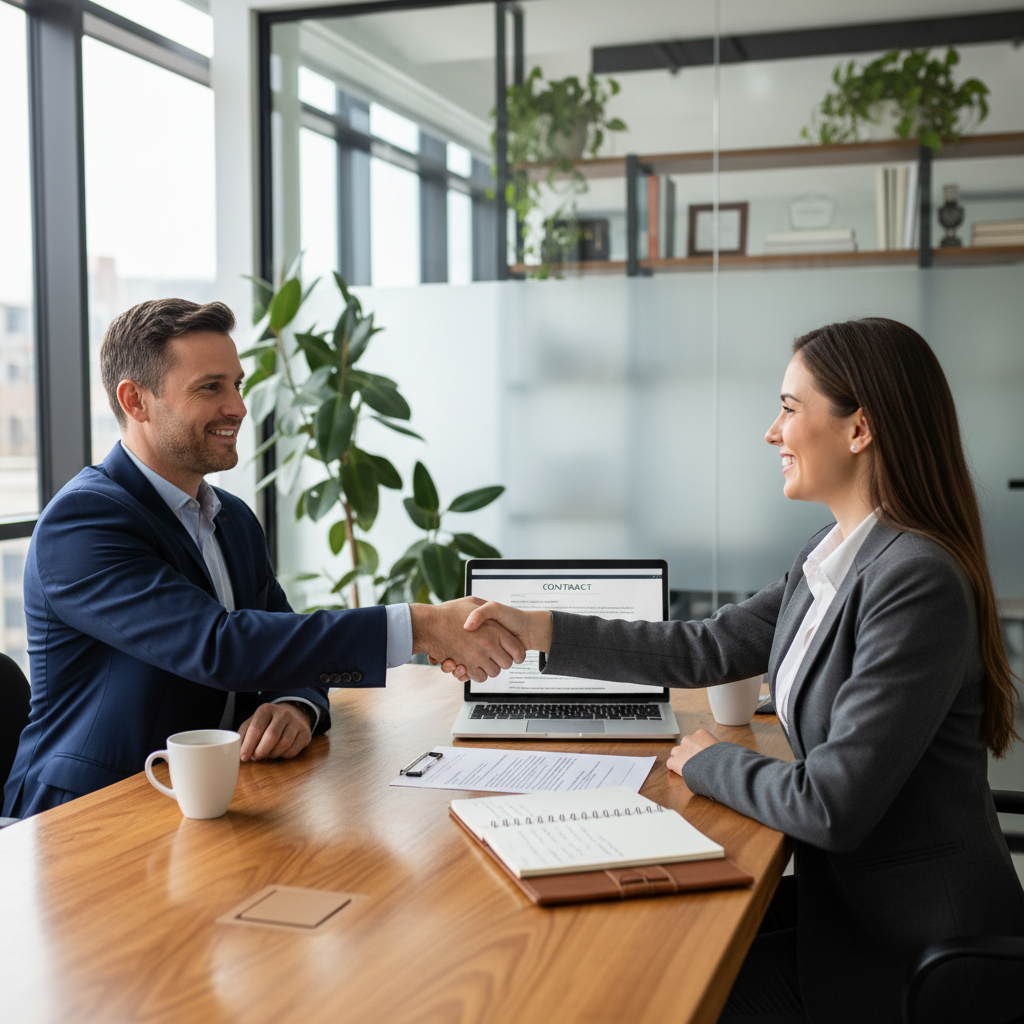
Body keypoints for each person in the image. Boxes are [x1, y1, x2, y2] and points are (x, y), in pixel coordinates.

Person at [443, 318, 1024, 1024]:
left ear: (859, 429)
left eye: (788, 408)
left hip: (908, 951)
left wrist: (709, 760)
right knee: (655, 943)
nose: (772, 434)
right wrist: (540, 632)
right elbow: (706, 648)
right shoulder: (835, 554)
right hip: (847, 907)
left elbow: (830, 805)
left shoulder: (915, 581)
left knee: (657, 996)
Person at [3, 299, 523, 819]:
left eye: (238, 384)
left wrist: (295, 704)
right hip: (92, 814)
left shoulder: (231, 517)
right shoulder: (84, 522)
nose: (239, 407)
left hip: (213, 800)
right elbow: (220, 646)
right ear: (135, 400)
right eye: (211, 387)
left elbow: (284, 641)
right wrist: (421, 625)